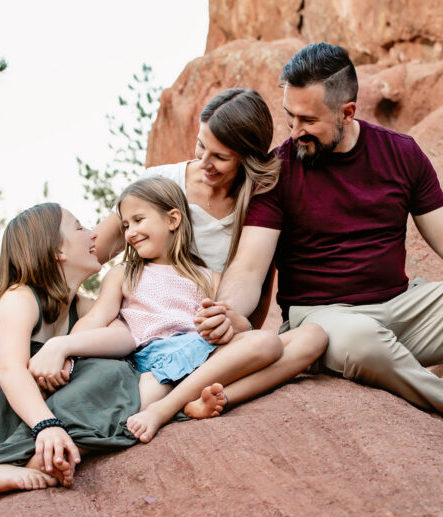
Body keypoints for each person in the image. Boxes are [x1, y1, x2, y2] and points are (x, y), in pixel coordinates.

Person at [198, 43, 443, 498]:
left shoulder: (401, 154)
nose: (294, 132)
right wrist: (228, 309)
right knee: (355, 336)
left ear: (347, 112)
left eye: (308, 121)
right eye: (289, 116)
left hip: (399, 309)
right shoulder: (279, 168)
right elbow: (250, 265)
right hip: (322, 322)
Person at [73, 88, 327, 412]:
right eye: (201, 145)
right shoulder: (161, 182)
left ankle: (203, 398)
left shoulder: (260, 205)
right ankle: (177, 401)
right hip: (152, 335)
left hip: (208, 338)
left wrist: (237, 323)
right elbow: (96, 249)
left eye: (219, 157)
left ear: (247, 157)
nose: (204, 162)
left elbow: (256, 302)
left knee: (311, 338)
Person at [35, 176, 284, 443]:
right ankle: (180, 408)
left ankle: (185, 405)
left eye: (138, 220)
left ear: (173, 220)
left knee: (269, 342)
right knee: (131, 416)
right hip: (155, 363)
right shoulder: (124, 274)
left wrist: (239, 326)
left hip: (204, 354)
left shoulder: (211, 279)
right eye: (126, 225)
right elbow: (97, 316)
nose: (130, 233)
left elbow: (229, 324)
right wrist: (67, 352)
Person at [0, 203, 140, 501]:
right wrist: (47, 425)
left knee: (115, 371)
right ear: (57, 251)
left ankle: (29, 458)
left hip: (12, 416)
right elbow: (12, 371)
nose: (94, 235)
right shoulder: (21, 297)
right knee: (105, 381)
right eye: (80, 228)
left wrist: (62, 345)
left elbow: (125, 338)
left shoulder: (80, 305)